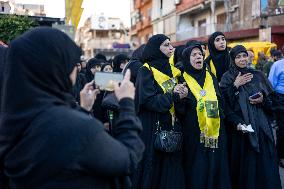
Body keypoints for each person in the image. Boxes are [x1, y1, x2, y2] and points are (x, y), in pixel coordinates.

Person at [0, 27, 145, 189]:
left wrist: (83, 110)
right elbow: (128, 158)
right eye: (70, 63)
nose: (76, 70)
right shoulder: (75, 128)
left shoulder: (15, 118)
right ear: (55, 69)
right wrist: (126, 103)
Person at [220, 45, 282, 189]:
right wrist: (235, 86)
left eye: (244, 56)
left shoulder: (258, 75)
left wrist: (262, 100)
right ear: (233, 59)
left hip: (261, 128)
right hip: (241, 130)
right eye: (238, 57)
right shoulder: (228, 77)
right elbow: (224, 104)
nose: (242, 59)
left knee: (264, 166)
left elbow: (272, 102)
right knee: (245, 167)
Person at [133, 34, 187, 189]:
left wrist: (182, 96)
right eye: (166, 45)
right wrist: (173, 96)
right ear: (155, 49)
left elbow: (177, 100)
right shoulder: (146, 70)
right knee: (153, 172)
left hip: (171, 126)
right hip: (152, 128)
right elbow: (148, 101)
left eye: (171, 44)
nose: (171, 48)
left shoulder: (174, 71)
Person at [175, 44, 231, 189]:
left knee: (215, 163)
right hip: (193, 132)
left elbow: (221, 101)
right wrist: (180, 98)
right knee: (198, 167)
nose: (198, 56)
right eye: (194, 55)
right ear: (187, 59)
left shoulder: (210, 77)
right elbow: (179, 111)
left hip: (216, 130)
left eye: (200, 54)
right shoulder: (182, 79)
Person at [269, 58, 284, 168]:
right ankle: (281, 156)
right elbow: (270, 84)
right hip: (280, 99)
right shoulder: (277, 65)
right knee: (282, 128)